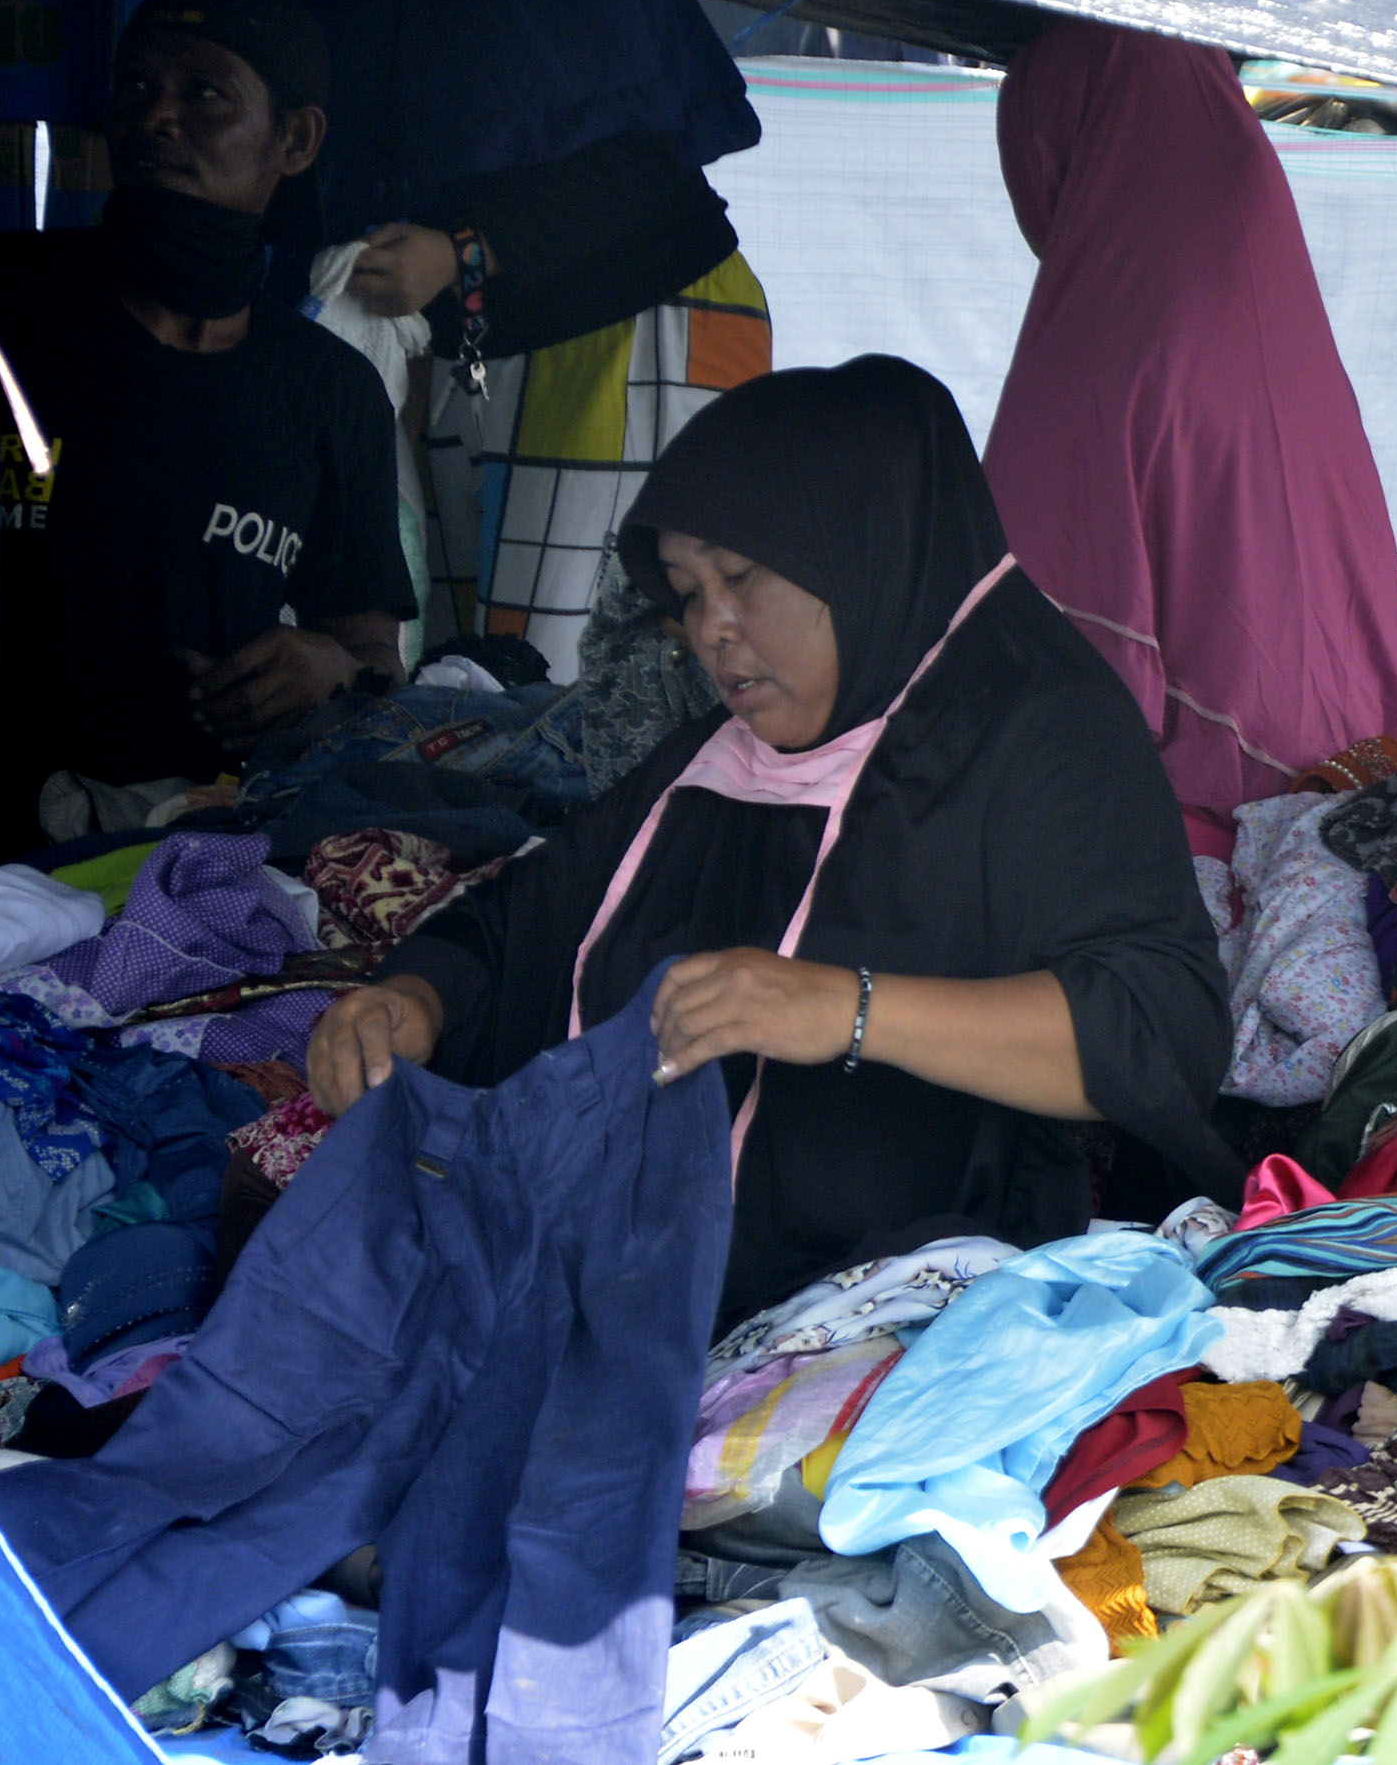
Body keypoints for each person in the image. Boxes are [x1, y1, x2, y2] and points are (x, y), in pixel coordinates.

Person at [310, 356, 1239, 1324]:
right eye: (686, 590)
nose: (711, 628)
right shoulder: (718, 757)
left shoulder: (1041, 730)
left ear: (860, 544)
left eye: (741, 577)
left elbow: (1160, 1029)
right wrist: (410, 1000)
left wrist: (848, 1009)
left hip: (914, 1320)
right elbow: (529, 922)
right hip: (646, 1300)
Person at [294, 0, 771, 678]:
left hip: (634, 324)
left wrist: (458, 250)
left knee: (564, 688)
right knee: (462, 682)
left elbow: (647, 165)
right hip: (479, 335)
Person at [979, 20, 1397, 856]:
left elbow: (1032, 671)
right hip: (1371, 778)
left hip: (1210, 827)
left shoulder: (1099, 347)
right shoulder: (1263, 289)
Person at [0, 0, 413, 825]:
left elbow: (377, 660)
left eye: (204, 94)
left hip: (177, 857)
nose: (155, 117)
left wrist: (323, 665)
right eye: (134, 86)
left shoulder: (332, 393)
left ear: (295, 141)